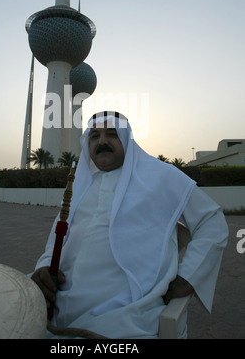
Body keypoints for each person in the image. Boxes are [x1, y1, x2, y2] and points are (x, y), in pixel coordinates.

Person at [31, 111, 228, 339]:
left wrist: (189, 276)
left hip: (126, 314)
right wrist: (44, 267)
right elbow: (57, 239)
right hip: (59, 306)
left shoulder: (161, 176)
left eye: (111, 134)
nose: (102, 141)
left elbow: (211, 220)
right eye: (94, 136)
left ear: (126, 139)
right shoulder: (79, 186)